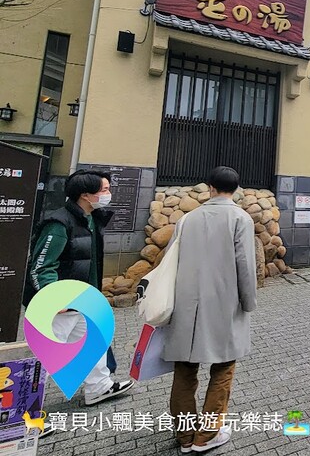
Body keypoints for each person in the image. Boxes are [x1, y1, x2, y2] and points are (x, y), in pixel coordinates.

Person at [161, 166, 257, 452]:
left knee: (185, 370)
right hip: (224, 304)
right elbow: (246, 266)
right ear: (236, 189)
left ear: (210, 188)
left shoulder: (187, 219)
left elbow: (170, 261)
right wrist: (248, 302)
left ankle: (185, 436)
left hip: (186, 304)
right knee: (224, 367)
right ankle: (207, 436)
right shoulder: (241, 218)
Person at [24, 170, 135, 407]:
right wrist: (52, 300)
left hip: (84, 299)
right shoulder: (58, 223)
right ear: (86, 195)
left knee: (93, 343)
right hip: (60, 306)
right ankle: (23, 412)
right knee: (42, 357)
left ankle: (99, 387)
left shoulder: (92, 218)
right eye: (104, 190)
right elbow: (41, 266)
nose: (108, 194)